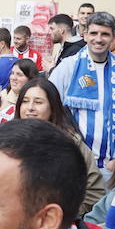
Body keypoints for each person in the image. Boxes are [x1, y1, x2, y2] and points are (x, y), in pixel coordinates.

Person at [48, 11, 115, 171]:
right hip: (72, 163)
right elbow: (50, 109)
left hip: (110, 166)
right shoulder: (68, 66)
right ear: (85, 35)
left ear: (114, 37)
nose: (99, 39)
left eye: (105, 34)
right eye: (94, 33)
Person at [13, 76, 104, 215]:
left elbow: (95, 192)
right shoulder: (7, 142)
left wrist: (61, 215)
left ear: (53, 108)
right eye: (25, 102)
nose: (30, 108)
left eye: (38, 102)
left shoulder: (71, 145)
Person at [0, 58, 37, 127]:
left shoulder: (33, 103)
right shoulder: (4, 94)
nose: (13, 78)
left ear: (30, 78)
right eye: (12, 73)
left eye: (19, 74)